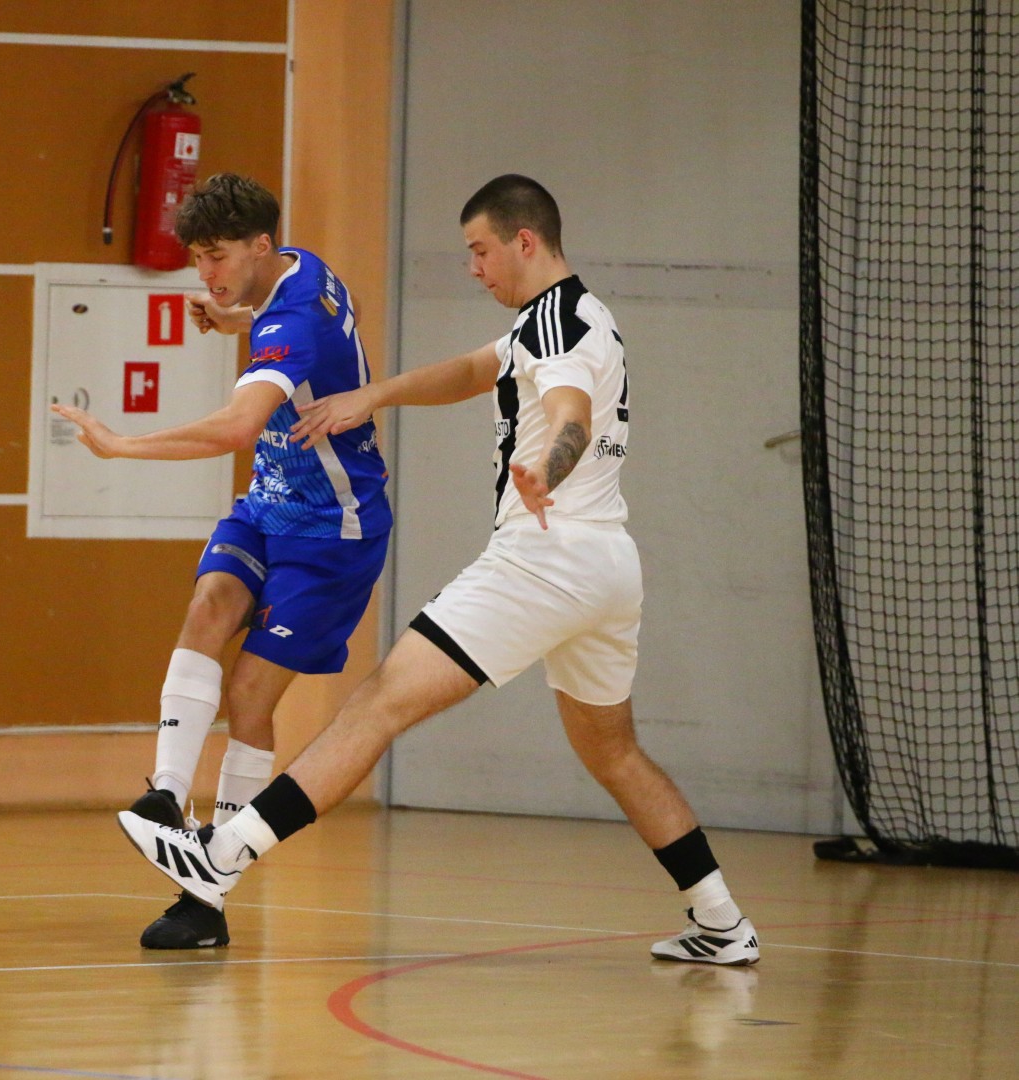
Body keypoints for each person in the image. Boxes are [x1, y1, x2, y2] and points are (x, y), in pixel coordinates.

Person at [118, 174, 760, 967]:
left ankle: (222, 854)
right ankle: (721, 920)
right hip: (607, 566)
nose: (473, 267)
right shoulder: (574, 316)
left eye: (480, 251)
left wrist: (548, 469)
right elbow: (470, 371)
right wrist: (374, 395)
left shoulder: (555, 328)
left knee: (378, 704)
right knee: (614, 753)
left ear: (526, 241)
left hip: (543, 560)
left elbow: (572, 411)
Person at [52, 173, 392, 950]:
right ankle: (166, 797)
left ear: (259, 245)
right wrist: (236, 314)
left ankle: (206, 894)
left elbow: (239, 428)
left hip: (333, 532)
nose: (204, 273)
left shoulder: (294, 322)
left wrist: (122, 445)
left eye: (216, 257)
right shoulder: (302, 268)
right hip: (269, 504)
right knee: (208, 604)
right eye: (198, 258)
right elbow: (320, 322)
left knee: (247, 696)